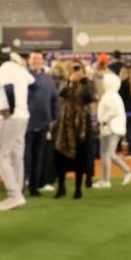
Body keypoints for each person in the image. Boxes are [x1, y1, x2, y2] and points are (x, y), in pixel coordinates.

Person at [0, 45, 34, 212]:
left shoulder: (4, 68)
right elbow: (31, 81)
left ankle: (14, 195)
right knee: (17, 155)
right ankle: (18, 193)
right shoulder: (18, 68)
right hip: (23, 116)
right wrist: (20, 64)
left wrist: (10, 108)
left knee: (0, 155)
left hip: (8, 116)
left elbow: (9, 88)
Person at [53, 61, 95, 199]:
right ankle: (61, 187)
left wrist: (82, 81)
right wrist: (70, 82)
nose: (75, 71)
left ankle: (78, 189)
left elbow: (90, 98)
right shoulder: (65, 83)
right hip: (65, 125)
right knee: (61, 156)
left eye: (78, 68)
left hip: (81, 125)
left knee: (80, 157)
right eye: (73, 68)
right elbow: (60, 94)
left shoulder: (87, 83)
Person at [25, 52, 59, 197]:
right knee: (25, 157)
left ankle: (34, 186)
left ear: (43, 61)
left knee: (38, 157)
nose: (36, 61)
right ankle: (22, 184)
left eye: (39, 59)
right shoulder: (23, 77)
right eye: (34, 58)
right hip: (25, 124)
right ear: (29, 60)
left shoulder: (48, 80)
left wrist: (53, 120)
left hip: (43, 124)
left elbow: (54, 100)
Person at [97, 71, 131, 188]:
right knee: (105, 154)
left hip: (111, 128)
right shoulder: (111, 95)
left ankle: (127, 171)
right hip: (108, 128)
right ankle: (105, 179)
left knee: (109, 154)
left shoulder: (111, 96)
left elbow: (113, 112)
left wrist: (104, 120)